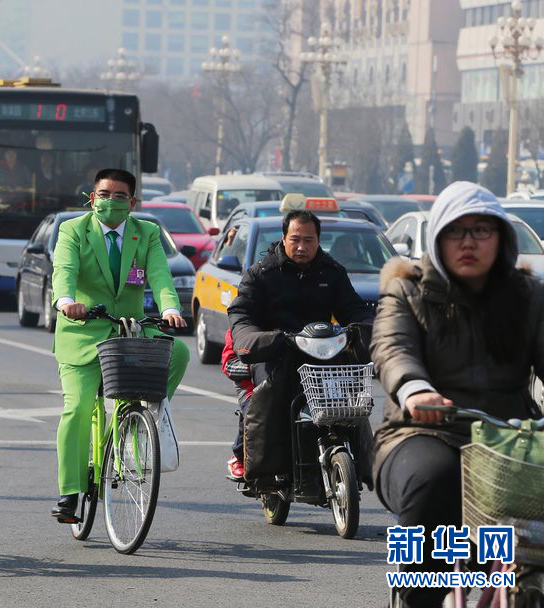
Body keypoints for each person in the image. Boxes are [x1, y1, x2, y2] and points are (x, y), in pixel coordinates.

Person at [371, 181, 544, 608]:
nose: (469, 242)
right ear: (438, 238)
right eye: (456, 231)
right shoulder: (407, 290)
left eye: (481, 230)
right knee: (435, 482)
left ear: (501, 238)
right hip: (420, 434)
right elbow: (393, 349)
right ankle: (417, 598)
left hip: (510, 441)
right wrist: (415, 390)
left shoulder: (529, 296)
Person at [50, 168, 190, 522]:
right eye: (103, 194)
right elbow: (63, 269)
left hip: (129, 331)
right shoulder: (73, 230)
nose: (109, 201)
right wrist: (66, 301)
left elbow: (159, 275)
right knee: (78, 409)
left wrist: (170, 308)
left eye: (118, 196)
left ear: (132, 202)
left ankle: (136, 422)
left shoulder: (147, 233)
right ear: (91, 197)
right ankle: (69, 492)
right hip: (82, 333)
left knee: (179, 352)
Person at [226, 210, 374, 479]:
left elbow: (355, 309)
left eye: (309, 240)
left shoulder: (333, 272)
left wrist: (366, 329)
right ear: (283, 239)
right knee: (267, 396)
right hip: (277, 351)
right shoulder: (261, 273)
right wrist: (253, 338)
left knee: (354, 399)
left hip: (323, 352)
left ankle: (365, 465)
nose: (302, 246)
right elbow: (242, 314)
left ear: (319, 241)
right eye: (295, 239)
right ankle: (251, 461)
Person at [220, 328, 253, 480]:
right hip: (252, 388)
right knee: (257, 409)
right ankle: (239, 457)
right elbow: (228, 365)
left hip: (295, 383)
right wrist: (255, 368)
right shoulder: (238, 328)